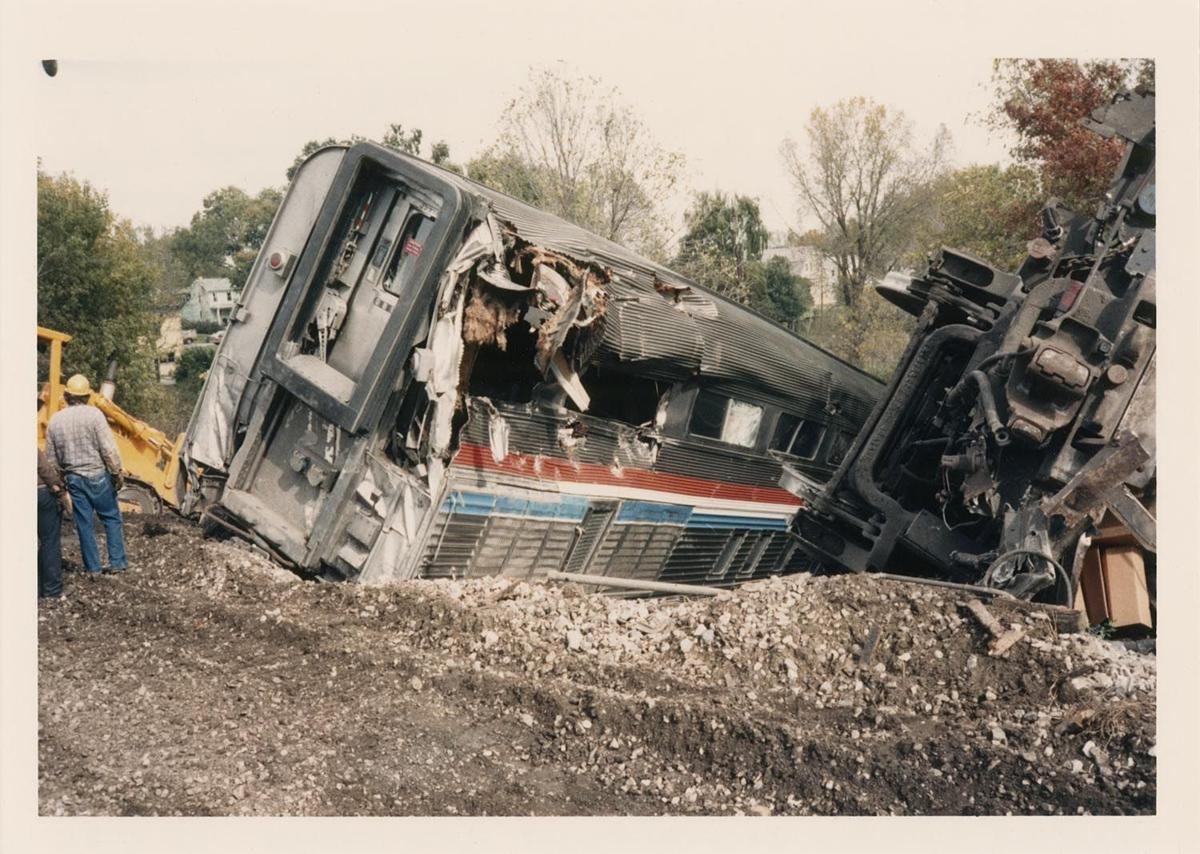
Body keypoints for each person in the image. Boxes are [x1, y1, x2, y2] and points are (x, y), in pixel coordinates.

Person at [45, 374, 129, 575]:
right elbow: (108, 449)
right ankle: (117, 563)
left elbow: (51, 458)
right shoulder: (95, 415)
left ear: (66, 395)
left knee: (84, 525)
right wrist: (117, 473)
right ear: (87, 395)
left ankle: (93, 568)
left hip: (73, 478)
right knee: (111, 519)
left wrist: (60, 483)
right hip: (98, 476)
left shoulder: (55, 420)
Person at [38, 442, 71, 598]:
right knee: (49, 541)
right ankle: (52, 589)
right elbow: (45, 469)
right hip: (40, 493)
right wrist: (59, 490)